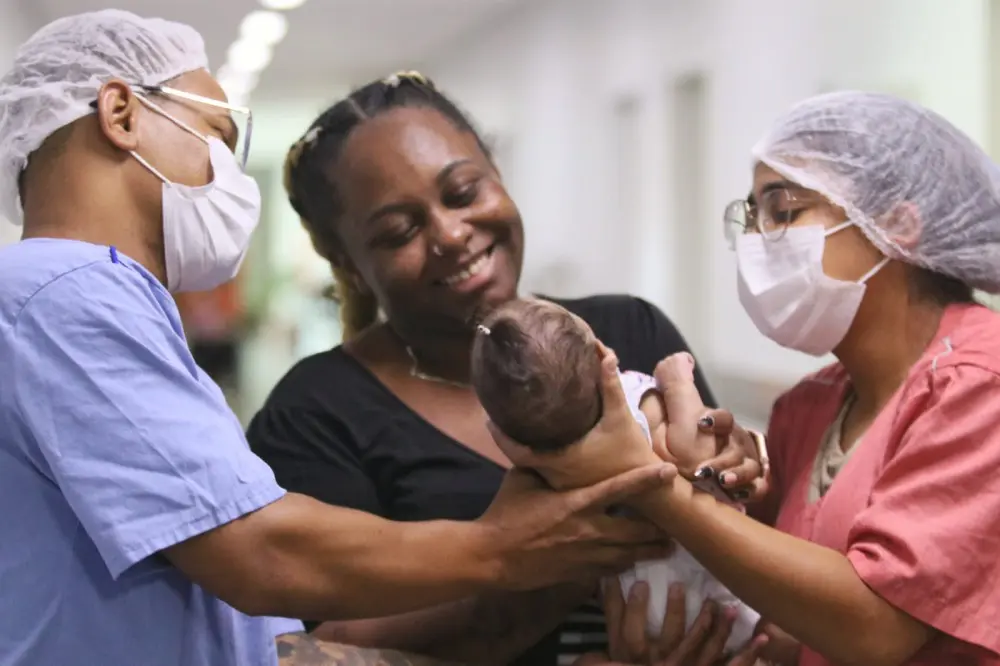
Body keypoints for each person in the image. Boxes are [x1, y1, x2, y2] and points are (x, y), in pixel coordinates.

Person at [0, 11, 690, 666]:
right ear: (122, 115)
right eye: (215, 133)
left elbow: (274, 642)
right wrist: (503, 548)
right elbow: (261, 552)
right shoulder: (66, 291)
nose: (226, 174)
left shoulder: (82, 298)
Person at [248, 71, 764, 665]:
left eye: (464, 192)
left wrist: (738, 471)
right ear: (349, 262)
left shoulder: (630, 330)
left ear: (497, 172)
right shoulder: (316, 414)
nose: (450, 234)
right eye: (399, 231)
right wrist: (548, 564)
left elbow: (740, 528)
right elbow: (309, 647)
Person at [494, 91, 1000, 666]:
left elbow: (874, 626)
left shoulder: (980, 385)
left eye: (784, 212)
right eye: (753, 217)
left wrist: (650, 483)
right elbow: (788, 613)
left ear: (897, 225)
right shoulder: (807, 410)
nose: (759, 242)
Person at [469, 297, 761, 655]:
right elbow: (693, 452)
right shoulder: (634, 403)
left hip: (631, 600)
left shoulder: (538, 465)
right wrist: (678, 383)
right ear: (601, 354)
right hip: (701, 574)